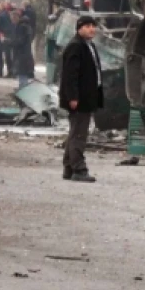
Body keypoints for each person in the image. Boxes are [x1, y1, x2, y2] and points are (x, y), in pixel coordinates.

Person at [59, 15, 101, 183]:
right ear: (79, 28)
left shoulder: (88, 46)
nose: (92, 29)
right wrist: (73, 97)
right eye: (88, 26)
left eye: (93, 25)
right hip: (79, 99)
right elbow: (70, 76)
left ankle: (69, 167)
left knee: (75, 132)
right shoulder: (76, 47)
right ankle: (79, 169)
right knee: (79, 134)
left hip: (87, 97)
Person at [11, 10, 35, 89]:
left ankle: (23, 90)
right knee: (23, 74)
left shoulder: (21, 27)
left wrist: (9, 42)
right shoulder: (26, 26)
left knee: (22, 74)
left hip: (22, 54)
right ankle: (23, 89)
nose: (12, 21)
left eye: (12, 18)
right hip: (26, 53)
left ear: (16, 18)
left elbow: (20, 41)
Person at [0, 2, 16, 78]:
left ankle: (14, 71)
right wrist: (1, 36)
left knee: (14, 55)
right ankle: (10, 71)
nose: (11, 12)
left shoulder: (16, 16)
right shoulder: (2, 16)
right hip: (6, 36)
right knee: (8, 55)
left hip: (14, 36)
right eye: (10, 10)